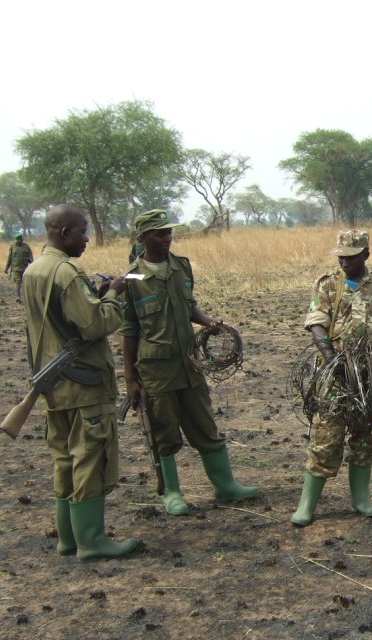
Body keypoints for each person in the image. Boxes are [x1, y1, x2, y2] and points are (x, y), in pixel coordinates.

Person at [120, 209, 258, 516]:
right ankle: (172, 493)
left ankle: (225, 485)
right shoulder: (133, 277)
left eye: (168, 232)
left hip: (190, 364)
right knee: (164, 431)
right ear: (143, 238)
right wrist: (130, 378)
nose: (167, 238)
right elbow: (129, 330)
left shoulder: (181, 266)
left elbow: (189, 306)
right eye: (159, 233)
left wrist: (208, 322)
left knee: (205, 426)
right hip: (157, 370)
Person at [21, 204, 139, 562]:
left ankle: (68, 539)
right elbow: (95, 324)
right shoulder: (68, 272)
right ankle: (92, 541)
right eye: (82, 231)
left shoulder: (34, 270)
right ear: (62, 232)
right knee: (90, 458)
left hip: (55, 385)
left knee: (64, 460)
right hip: (85, 386)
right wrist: (114, 294)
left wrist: (97, 294)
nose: (87, 238)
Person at [291, 229, 372, 526]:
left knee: (366, 436)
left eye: (351, 258)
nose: (345, 263)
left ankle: (361, 499)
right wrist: (332, 360)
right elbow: (316, 325)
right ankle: (306, 506)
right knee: (327, 438)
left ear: (366, 254)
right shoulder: (328, 285)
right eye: (341, 257)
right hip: (336, 377)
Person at [5, 232, 34, 303]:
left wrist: (30, 260)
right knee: (18, 282)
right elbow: (9, 259)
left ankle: (28, 297)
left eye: (22, 239)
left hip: (25, 268)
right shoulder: (13, 247)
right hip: (16, 268)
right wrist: (6, 268)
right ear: (16, 240)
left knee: (25, 283)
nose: (21, 240)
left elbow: (31, 256)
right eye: (19, 239)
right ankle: (18, 297)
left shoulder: (26, 246)